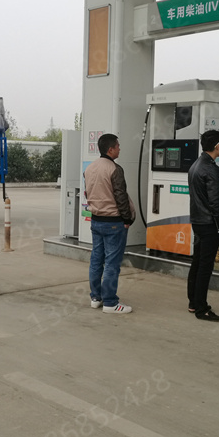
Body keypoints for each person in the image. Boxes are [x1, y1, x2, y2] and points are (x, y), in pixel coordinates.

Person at [83, 133, 136, 314]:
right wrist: (127, 219)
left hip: (96, 220)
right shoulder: (115, 169)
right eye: (118, 146)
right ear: (111, 149)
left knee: (96, 260)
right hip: (114, 222)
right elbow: (121, 197)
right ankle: (110, 303)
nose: (120, 149)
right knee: (112, 263)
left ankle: (96, 298)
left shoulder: (89, 168)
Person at [187, 130, 219, 322]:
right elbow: (215, 201)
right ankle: (202, 308)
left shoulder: (195, 165)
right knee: (205, 266)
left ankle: (193, 302)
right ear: (217, 145)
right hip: (209, 223)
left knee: (197, 262)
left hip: (197, 221)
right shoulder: (211, 169)